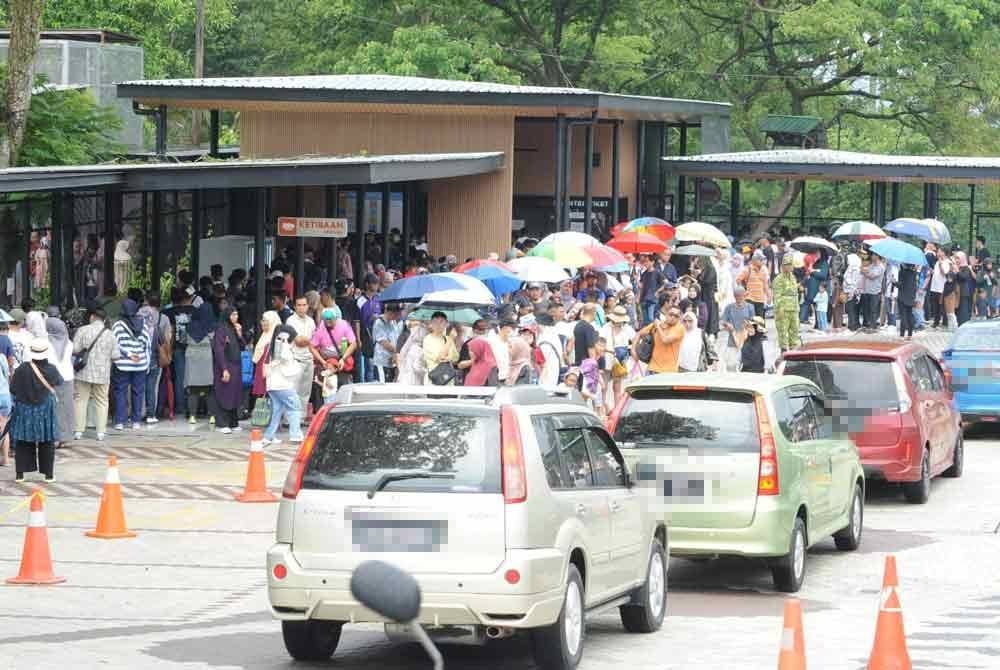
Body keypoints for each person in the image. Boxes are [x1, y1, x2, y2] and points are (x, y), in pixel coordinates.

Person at [10, 339, 63, 482]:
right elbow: (60, 381)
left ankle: (20, 475)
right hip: (45, 409)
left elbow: (13, 389)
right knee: (47, 440)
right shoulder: (52, 369)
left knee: (23, 440)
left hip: (25, 410)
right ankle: (48, 475)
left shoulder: (22, 369)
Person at [111, 299, 150, 431]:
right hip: (140, 364)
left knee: (120, 391)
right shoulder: (143, 324)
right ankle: (136, 421)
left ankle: (120, 421)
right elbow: (147, 345)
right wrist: (146, 362)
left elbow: (114, 344)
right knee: (138, 392)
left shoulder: (118, 325)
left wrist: (127, 354)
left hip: (122, 364)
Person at [263, 325, 304, 446]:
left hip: (272, 384)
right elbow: (285, 358)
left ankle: (268, 436)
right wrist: (285, 342)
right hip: (282, 384)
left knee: (277, 411)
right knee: (295, 407)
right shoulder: (283, 345)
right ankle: (296, 435)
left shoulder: (272, 346)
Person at [138, 292, 172, 424]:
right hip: (156, 355)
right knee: (153, 386)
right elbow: (167, 339)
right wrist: (168, 353)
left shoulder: (139, 315)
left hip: (139, 354)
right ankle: (151, 413)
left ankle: (139, 412)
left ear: (146, 301)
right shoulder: (164, 318)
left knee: (138, 384)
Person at [164, 287, 196, 420]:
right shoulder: (195, 311)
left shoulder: (168, 312)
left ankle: (180, 407)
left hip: (177, 348)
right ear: (190, 298)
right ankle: (193, 406)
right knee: (193, 377)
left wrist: (169, 350)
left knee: (179, 377)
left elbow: (169, 333)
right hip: (193, 348)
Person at [183, 303, 217, 426]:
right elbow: (215, 343)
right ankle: (212, 416)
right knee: (209, 388)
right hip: (206, 357)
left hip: (191, 356)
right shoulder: (212, 327)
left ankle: (192, 416)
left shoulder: (189, 326)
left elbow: (182, 339)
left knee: (193, 388)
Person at [212, 308, 245, 434]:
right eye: (233, 314)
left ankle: (233, 422)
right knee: (224, 393)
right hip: (226, 365)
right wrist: (224, 369)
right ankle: (222, 423)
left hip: (236, 366)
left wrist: (239, 334)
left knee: (234, 394)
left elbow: (242, 346)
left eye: (237, 314)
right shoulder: (221, 329)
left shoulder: (234, 329)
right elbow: (219, 350)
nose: (235, 317)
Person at [44, 317, 74, 448]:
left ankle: (55, 437)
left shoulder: (47, 342)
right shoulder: (69, 343)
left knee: (53, 408)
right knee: (66, 407)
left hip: (52, 378)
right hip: (68, 377)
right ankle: (66, 437)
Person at [311, 306, 358, 389]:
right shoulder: (320, 328)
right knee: (329, 389)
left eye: (330, 320)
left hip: (342, 360)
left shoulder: (344, 325)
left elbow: (353, 343)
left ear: (336, 318)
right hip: (327, 362)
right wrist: (322, 362)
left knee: (345, 387)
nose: (328, 322)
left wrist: (343, 358)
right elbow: (312, 347)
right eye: (326, 320)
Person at [287, 296, 317, 419]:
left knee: (305, 391)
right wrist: (309, 340)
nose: (301, 308)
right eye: (299, 305)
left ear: (308, 306)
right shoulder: (290, 321)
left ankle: (301, 417)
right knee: (293, 390)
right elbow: (298, 341)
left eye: (304, 305)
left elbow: (314, 342)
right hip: (296, 359)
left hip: (309, 359)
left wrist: (307, 340)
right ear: (295, 307)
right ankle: (290, 418)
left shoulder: (311, 321)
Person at [634, 305, 685, 374]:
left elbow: (665, 340)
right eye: (671, 314)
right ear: (666, 314)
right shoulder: (658, 324)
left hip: (669, 371)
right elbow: (639, 334)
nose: (673, 317)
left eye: (676, 316)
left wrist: (658, 326)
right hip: (652, 368)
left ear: (679, 318)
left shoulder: (680, 328)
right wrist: (633, 351)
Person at [772, 255, 800, 353]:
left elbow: (795, 293)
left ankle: (794, 352)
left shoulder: (793, 277)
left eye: (791, 264)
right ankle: (783, 352)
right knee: (783, 332)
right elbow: (777, 296)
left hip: (794, 309)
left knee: (795, 331)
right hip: (784, 310)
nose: (790, 266)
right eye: (788, 264)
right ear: (783, 266)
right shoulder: (778, 279)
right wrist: (779, 310)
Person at [422, 312, 459, 385]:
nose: (438, 325)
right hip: (434, 380)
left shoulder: (447, 338)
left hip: (448, 380)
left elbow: (456, 358)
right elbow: (440, 358)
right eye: (435, 322)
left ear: (446, 323)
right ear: (431, 323)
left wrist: (449, 358)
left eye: (441, 322)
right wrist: (451, 339)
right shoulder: (427, 339)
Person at [371, 302, 404, 382]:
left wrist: (396, 355)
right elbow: (384, 343)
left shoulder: (394, 322)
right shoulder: (379, 322)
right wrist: (397, 352)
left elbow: (397, 339)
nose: (396, 317)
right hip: (381, 361)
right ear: (389, 312)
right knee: (382, 386)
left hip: (392, 362)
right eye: (394, 314)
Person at [738, 252, 770, 317]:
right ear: (754, 261)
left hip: (760, 299)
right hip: (749, 298)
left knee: (760, 320)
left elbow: (765, 285)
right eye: (760, 260)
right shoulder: (748, 269)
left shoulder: (764, 270)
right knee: (750, 319)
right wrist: (744, 291)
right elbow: (738, 280)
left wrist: (769, 296)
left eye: (763, 260)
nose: (763, 261)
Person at [637, 255, 665, 325]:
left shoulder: (657, 272)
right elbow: (641, 286)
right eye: (644, 262)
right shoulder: (644, 273)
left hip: (652, 300)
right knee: (645, 320)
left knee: (651, 318)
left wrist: (658, 292)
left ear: (652, 262)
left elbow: (664, 284)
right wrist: (638, 297)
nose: (645, 263)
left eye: (647, 261)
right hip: (643, 299)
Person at [860, 253, 885, 331]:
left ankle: (873, 326)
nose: (871, 256)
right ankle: (868, 325)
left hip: (875, 291)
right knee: (867, 309)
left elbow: (872, 276)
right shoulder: (872, 265)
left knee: (873, 310)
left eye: (873, 255)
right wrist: (865, 272)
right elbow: (863, 271)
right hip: (867, 290)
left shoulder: (881, 267)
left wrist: (865, 272)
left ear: (877, 256)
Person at [929, 247, 949, 328]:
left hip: (942, 288)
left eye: (939, 251)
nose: (937, 253)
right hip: (934, 287)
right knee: (935, 306)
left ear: (944, 253)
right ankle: (936, 322)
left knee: (943, 306)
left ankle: (945, 323)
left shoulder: (947, 262)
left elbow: (945, 273)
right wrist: (932, 271)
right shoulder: (937, 262)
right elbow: (936, 273)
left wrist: (941, 265)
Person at [842, 253, 863, 331]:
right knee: (850, 309)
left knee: (852, 309)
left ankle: (852, 325)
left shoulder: (855, 269)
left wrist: (852, 291)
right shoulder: (850, 267)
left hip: (852, 291)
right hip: (849, 290)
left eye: (848, 259)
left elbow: (854, 281)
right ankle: (852, 324)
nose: (847, 261)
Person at [897, 264, 918, 339]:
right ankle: (910, 334)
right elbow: (915, 286)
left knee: (903, 315)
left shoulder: (902, 272)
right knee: (909, 315)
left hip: (902, 296)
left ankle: (902, 334)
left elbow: (900, 285)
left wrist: (894, 282)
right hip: (911, 296)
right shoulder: (914, 273)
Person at [956, 252, 976, 326]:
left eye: (958, 258)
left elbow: (964, 277)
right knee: (958, 310)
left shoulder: (966, 268)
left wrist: (957, 271)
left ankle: (964, 325)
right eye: (956, 258)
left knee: (963, 310)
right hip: (957, 292)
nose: (957, 260)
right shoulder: (958, 267)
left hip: (964, 292)